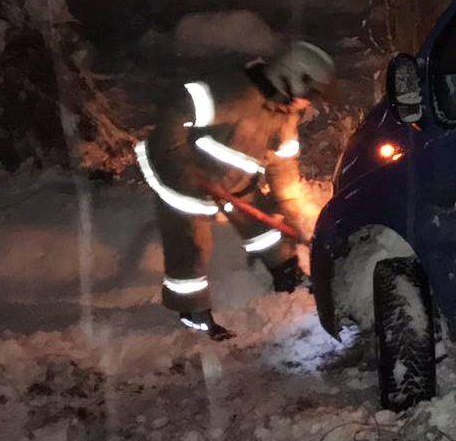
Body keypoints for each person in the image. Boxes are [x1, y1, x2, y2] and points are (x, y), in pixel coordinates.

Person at [134, 40, 335, 340]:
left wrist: (292, 215)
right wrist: (181, 166)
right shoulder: (233, 93)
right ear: (292, 78)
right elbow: (176, 110)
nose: (309, 102)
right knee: (191, 243)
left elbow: (282, 169)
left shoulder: (284, 115)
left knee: (265, 222)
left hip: (233, 180)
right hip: (182, 174)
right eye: (310, 94)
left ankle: (287, 272)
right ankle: (193, 312)